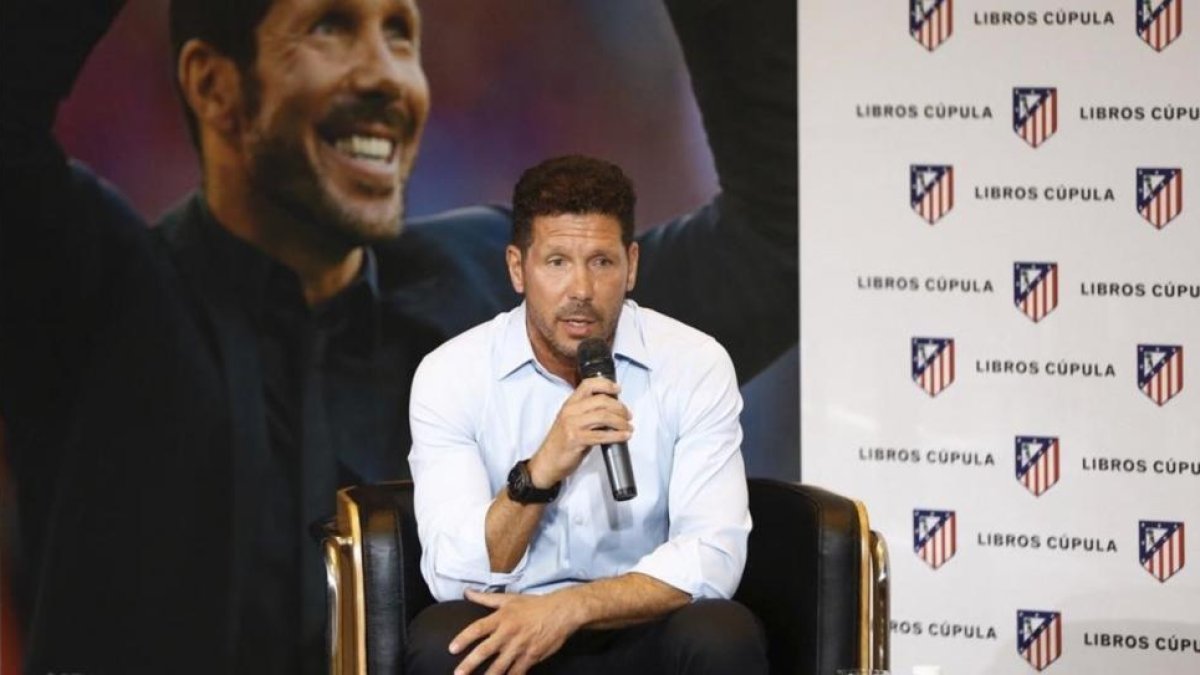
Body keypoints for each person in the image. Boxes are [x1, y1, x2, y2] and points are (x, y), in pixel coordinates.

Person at [0, 0, 794, 671]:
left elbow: (782, 240)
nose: (387, 75)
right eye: (332, 28)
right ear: (216, 84)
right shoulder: (91, 292)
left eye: (401, 33)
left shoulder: (485, 283)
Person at [408, 155, 767, 675]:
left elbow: (714, 555)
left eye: (601, 261)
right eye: (556, 262)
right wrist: (540, 472)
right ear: (517, 268)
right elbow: (452, 576)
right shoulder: (452, 373)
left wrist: (572, 608)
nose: (580, 290)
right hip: (514, 618)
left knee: (721, 635)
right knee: (449, 646)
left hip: (637, 618)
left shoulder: (694, 363)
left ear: (632, 266)